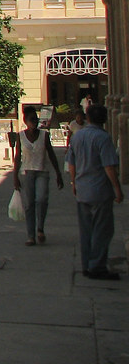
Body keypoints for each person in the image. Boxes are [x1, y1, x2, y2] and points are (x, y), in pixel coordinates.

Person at [67, 104, 124, 279]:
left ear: (88, 118)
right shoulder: (103, 138)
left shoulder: (78, 136)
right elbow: (109, 166)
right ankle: (97, 266)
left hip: (83, 190)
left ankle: (87, 265)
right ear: (105, 119)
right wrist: (117, 188)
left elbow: (71, 163)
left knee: (86, 230)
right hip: (99, 190)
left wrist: (74, 182)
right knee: (102, 230)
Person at [13, 107, 64, 246]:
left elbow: (51, 154)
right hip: (27, 172)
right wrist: (15, 176)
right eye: (31, 120)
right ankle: (31, 235)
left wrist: (58, 173)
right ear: (25, 121)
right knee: (29, 204)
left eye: (36, 120)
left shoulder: (44, 135)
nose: (34, 123)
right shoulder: (21, 136)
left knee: (41, 200)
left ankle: (40, 228)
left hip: (42, 171)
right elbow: (18, 157)